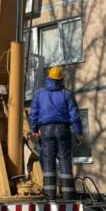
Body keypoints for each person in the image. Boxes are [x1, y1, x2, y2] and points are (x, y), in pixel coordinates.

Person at [29, 66, 84, 201]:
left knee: (48, 160)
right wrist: (78, 133)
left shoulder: (39, 94)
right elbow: (74, 115)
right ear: (61, 79)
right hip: (63, 130)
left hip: (46, 130)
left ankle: (50, 196)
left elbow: (34, 113)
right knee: (65, 160)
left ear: (48, 77)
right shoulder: (67, 94)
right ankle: (68, 196)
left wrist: (34, 129)